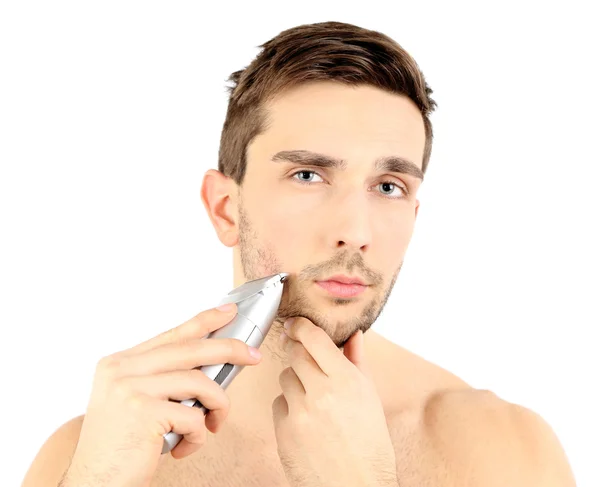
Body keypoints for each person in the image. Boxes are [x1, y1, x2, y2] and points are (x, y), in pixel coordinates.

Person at [22, 21, 575, 487]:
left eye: (388, 186)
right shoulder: (96, 452)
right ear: (223, 208)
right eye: (307, 175)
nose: (355, 231)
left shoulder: (503, 453)